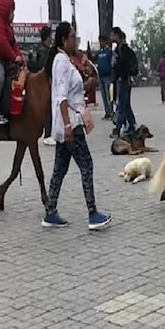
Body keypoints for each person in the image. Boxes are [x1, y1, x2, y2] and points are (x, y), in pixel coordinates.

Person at [42, 21, 112, 230]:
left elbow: (71, 92)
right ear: (64, 40)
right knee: (86, 165)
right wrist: (67, 125)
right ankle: (92, 213)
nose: (76, 40)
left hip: (69, 121)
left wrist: (87, 85)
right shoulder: (62, 62)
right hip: (71, 123)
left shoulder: (66, 61)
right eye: (73, 37)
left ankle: (50, 212)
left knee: (60, 168)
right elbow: (61, 97)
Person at [110, 26, 137, 138]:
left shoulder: (123, 49)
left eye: (112, 35)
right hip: (121, 79)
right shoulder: (118, 49)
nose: (111, 37)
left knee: (121, 104)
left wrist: (120, 71)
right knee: (126, 104)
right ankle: (132, 125)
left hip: (124, 79)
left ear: (117, 35)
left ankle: (117, 128)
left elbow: (125, 64)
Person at [96, 36, 114, 120]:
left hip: (108, 76)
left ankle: (111, 112)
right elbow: (94, 59)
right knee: (103, 96)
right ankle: (107, 112)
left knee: (109, 95)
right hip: (101, 76)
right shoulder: (99, 52)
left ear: (104, 42)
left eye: (101, 41)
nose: (100, 43)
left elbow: (112, 63)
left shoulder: (109, 51)